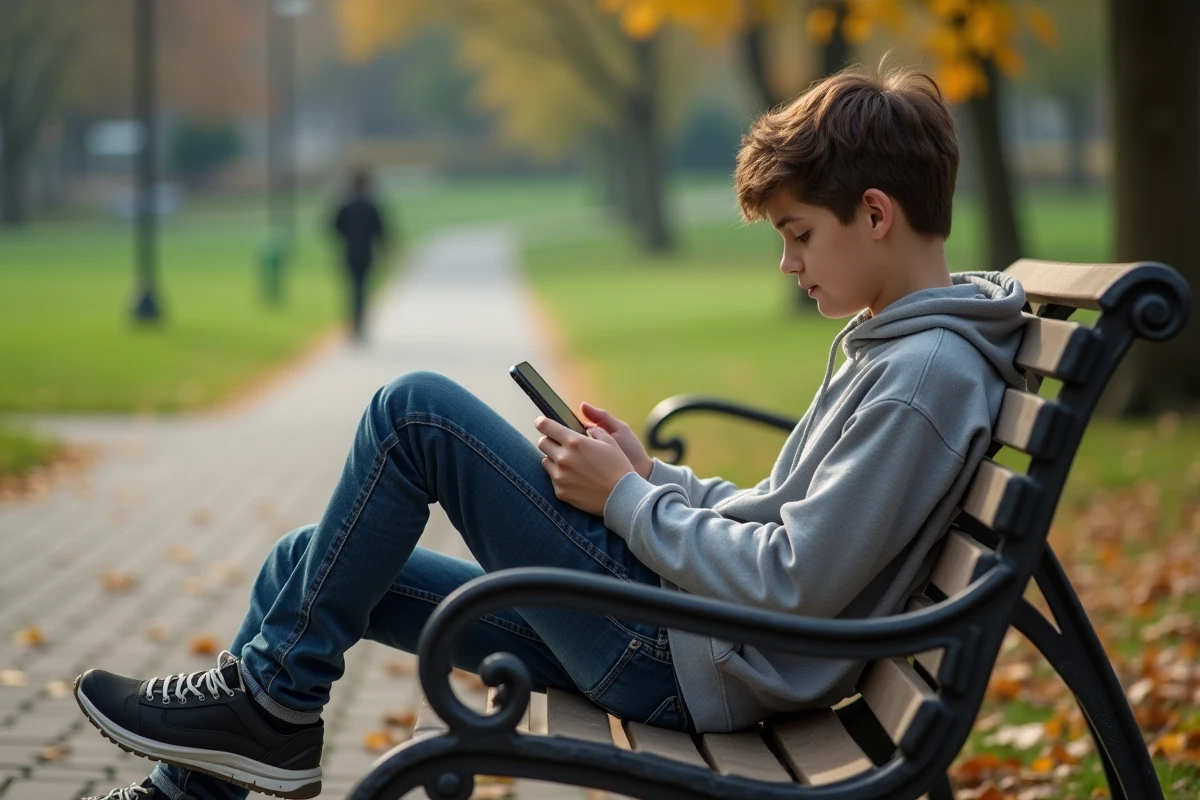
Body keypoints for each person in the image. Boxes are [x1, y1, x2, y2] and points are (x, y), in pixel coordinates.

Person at [75, 64, 1027, 800]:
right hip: (690, 639)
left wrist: (625, 500)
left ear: (875, 213)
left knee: (412, 413)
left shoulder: (922, 376)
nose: (787, 262)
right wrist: (659, 480)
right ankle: (199, 778)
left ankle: (275, 704)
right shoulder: (899, 348)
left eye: (799, 234)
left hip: (688, 663)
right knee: (305, 565)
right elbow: (787, 520)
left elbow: (795, 580)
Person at [332, 168, 388, 342]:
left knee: (352, 289)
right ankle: (359, 324)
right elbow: (381, 230)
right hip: (366, 253)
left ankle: (355, 324)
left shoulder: (345, 205)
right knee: (361, 288)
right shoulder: (371, 206)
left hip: (349, 252)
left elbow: (334, 226)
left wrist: (345, 238)